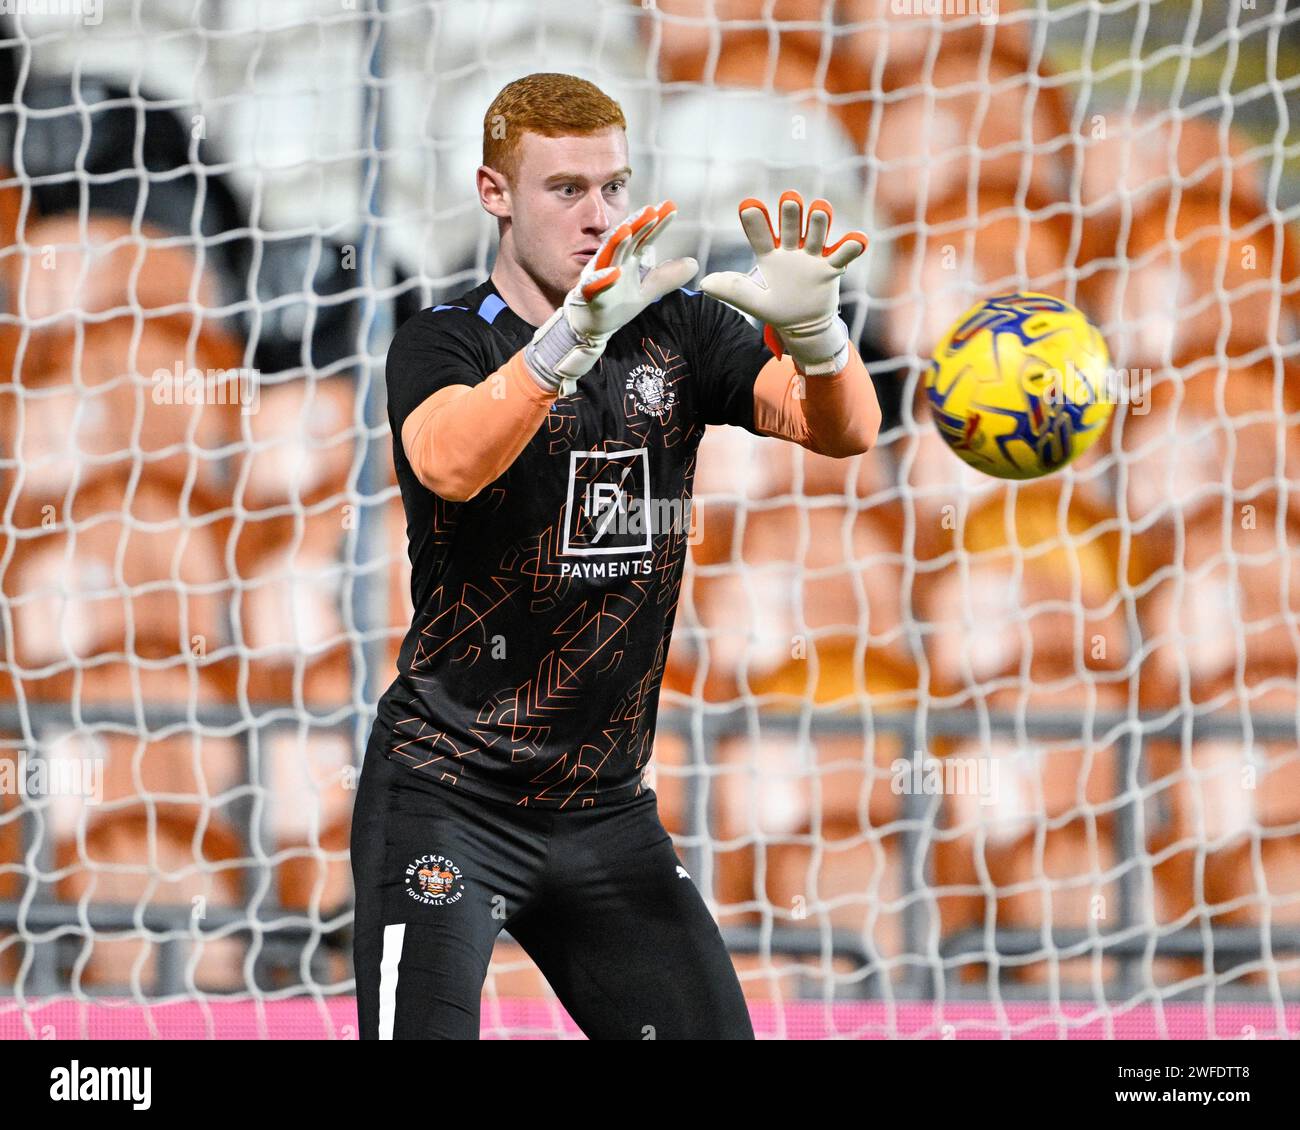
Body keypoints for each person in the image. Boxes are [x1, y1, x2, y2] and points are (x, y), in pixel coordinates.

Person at [351, 71, 882, 1040]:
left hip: (601, 806)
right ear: (494, 193)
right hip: (446, 794)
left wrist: (818, 340)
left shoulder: (674, 326)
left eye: (613, 187)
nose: (597, 216)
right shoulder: (441, 339)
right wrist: (560, 349)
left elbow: (840, 431)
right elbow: (449, 463)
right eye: (565, 190)